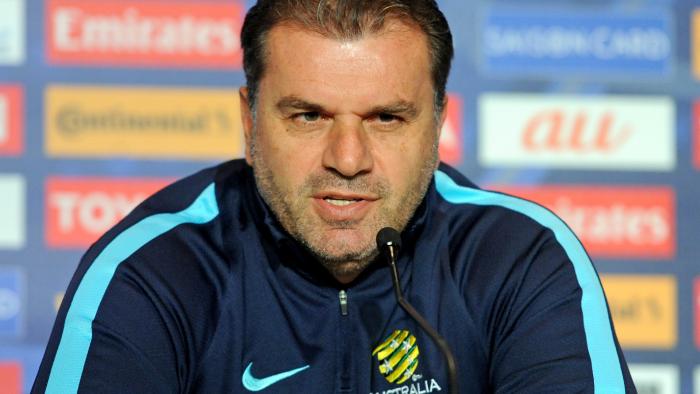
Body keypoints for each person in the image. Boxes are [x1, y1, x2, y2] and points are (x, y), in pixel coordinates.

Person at [33, 0, 636, 392]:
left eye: (387, 119)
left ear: (439, 120)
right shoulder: (153, 271)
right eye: (308, 116)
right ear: (250, 121)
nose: (347, 160)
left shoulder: (519, 259)